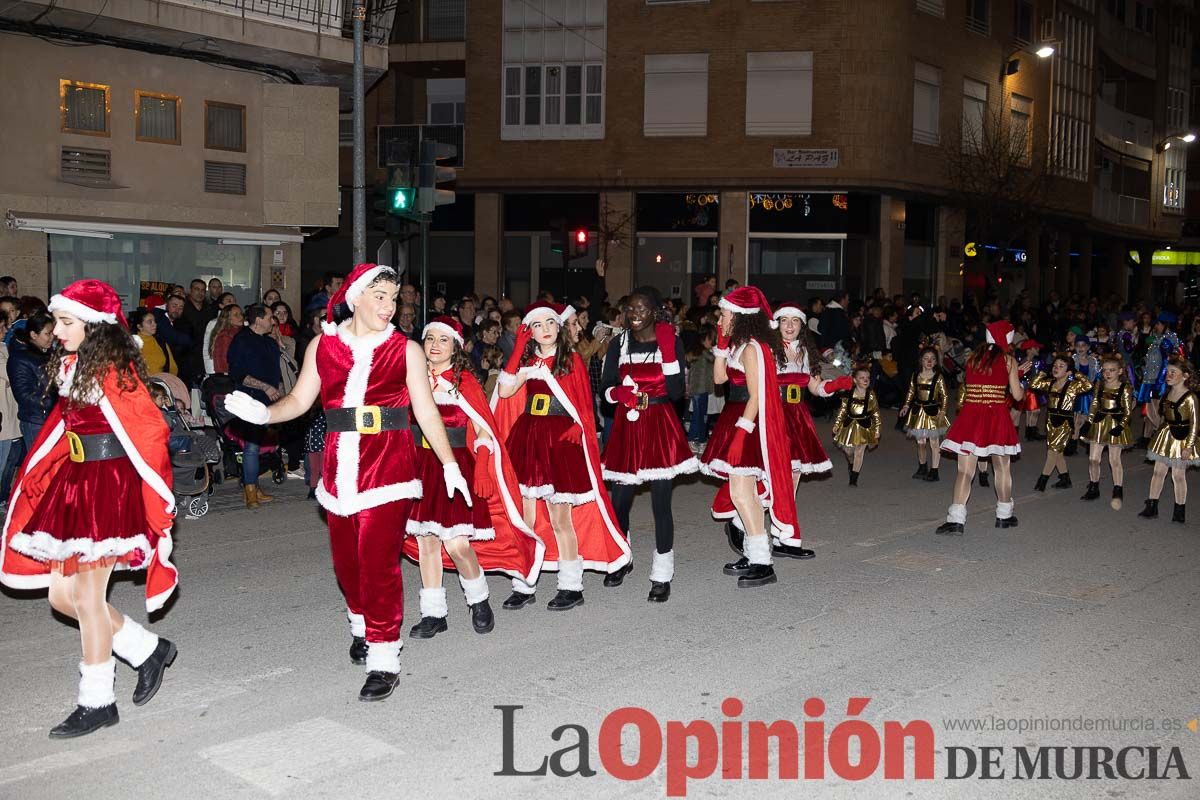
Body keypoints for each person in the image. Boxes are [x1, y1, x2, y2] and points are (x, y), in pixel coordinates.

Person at [225, 263, 471, 702]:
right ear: (355, 297)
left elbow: (428, 412)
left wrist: (450, 464)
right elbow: (300, 400)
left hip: (390, 467)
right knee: (348, 564)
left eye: (393, 299)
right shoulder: (323, 346)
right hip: (340, 471)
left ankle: (384, 657)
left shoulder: (406, 351)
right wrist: (264, 414)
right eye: (380, 296)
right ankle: (362, 625)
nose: (389, 306)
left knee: (378, 564)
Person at [0, 280, 178, 738]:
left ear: (94, 326)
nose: (57, 331)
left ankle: (97, 700)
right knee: (62, 597)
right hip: (76, 482)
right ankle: (147, 649)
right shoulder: (74, 366)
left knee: (87, 598)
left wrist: (149, 485)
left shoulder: (113, 369)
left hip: (106, 487)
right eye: (58, 323)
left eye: (66, 322)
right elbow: (62, 429)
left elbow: (149, 427)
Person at [399, 317, 544, 637]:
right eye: (430, 339)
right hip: (422, 465)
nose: (435, 345)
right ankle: (434, 613)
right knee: (427, 542)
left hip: (455, 467)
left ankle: (478, 600)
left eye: (443, 340)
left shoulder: (463, 382)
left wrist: (481, 465)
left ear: (456, 346)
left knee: (457, 544)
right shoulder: (411, 378)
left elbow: (483, 429)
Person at [492, 302, 630, 611]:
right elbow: (504, 391)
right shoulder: (527, 360)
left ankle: (571, 585)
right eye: (537, 325)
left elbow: (581, 403)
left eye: (550, 323)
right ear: (530, 330)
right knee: (526, 518)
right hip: (529, 438)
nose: (545, 329)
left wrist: (579, 429)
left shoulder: (572, 360)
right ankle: (524, 584)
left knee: (560, 518)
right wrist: (518, 351)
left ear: (559, 326)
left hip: (559, 441)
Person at [699, 287, 814, 587]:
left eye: (723, 314)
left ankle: (762, 560)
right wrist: (721, 346)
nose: (719, 319)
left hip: (747, 421)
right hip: (734, 418)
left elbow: (757, 396)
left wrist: (742, 433)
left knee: (743, 494)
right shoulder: (739, 346)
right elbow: (719, 379)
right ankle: (754, 554)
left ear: (737, 315)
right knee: (742, 494)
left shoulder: (752, 348)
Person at [600, 288, 696, 602]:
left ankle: (662, 573)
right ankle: (621, 557)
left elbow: (675, 391)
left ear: (655, 311)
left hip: (658, 424)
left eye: (642, 308)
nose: (635, 313)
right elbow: (605, 389)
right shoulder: (619, 343)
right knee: (620, 501)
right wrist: (619, 395)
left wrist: (669, 351)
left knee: (660, 504)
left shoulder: (671, 341)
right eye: (630, 308)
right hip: (628, 425)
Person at [936, 321, 1028, 535]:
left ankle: (956, 519)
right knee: (1002, 467)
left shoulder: (972, 358)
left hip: (972, 416)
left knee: (964, 471)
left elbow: (983, 380)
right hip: (996, 417)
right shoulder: (1009, 360)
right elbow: (1016, 395)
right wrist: (1018, 379)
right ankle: (1004, 515)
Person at [226, 305, 282, 507]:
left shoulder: (270, 342)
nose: (272, 321)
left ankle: (253, 485)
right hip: (250, 399)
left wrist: (280, 396)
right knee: (251, 445)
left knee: (258, 444)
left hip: (269, 400)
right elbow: (237, 374)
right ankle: (250, 490)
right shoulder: (241, 341)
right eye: (269, 317)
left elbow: (277, 374)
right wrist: (265, 387)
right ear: (258, 320)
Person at [1139, 357, 1197, 523]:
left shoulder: (1190, 397)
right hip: (1166, 436)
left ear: (1185, 376)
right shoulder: (1167, 393)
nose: (1168, 375)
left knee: (1178, 476)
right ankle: (1152, 505)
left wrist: (1189, 446)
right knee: (1158, 472)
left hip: (1182, 438)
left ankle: (1179, 510)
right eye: (1168, 371)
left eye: (1173, 372)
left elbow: (1194, 424)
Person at [1028, 354, 1091, 492]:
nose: (1056, 368)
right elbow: (1034, 384)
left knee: (1052, 452)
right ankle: (1065, 478)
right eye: (1055, 366)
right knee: (1057, 452)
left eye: (1061, 366)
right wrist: (1043, 372)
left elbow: (1088, 385)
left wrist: (1077, 373)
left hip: (1064, 422)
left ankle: (1042, 480)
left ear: (1068, 371)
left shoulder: (1073, 385)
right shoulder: (1050, 382)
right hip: (1050, 420)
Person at [1080, 354, 1134, 510]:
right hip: (1099, 423)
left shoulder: (1125, 388)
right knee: (1093, 459)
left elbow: (1128, 410)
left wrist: (1121, 426)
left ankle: (1118, 489)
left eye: (1112, 370)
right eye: (1105, 370)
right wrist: (1088, 421)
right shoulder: (1099, 385)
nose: (1108, 373)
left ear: (1120, 371)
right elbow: (1095, 403)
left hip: (1116, 423)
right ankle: (1093, 487)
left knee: (1114, 460)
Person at [900, 345, 951, 482]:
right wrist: (906, 405)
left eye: (932, 359)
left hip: (933, 412)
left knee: (934, 442)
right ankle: (922, 466)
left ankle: (934, 471)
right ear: (921, 361)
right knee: (921, 442)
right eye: (926, 358)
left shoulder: (938, 377)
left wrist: (943, 411)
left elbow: (945, 396)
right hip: (918, 412)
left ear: (936, 362)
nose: (929, 361)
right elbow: (911, 391)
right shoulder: (916, 375)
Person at [8, 310, 56, 449]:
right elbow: (23, 394)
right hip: (36, 420)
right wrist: (52, 400)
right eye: (47, 334)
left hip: (51, 418)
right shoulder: (20, 358)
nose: (52, 338)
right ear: (34, 335)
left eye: (53, 333)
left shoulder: (48, 354)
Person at [830, 364, 881, 486]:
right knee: (849, 452)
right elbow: (842, 410)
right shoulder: (849, 394)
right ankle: (851, 464)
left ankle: (854, 478)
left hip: (865, 426)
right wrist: (837, 424)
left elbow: (876, 413)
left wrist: (878, 428)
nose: (865, 380)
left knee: (859, 451)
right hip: (850, 425)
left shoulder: (871, 395)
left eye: (867, 378)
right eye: (862, 377)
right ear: (855, 380)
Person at [130, 309, 177, 376]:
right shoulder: (132, 343)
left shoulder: (160, 342)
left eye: (154, 321)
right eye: (150, 322)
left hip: (160, 382)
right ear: (139, 326)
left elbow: (173, 368)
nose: (154, 324)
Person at [202, 292, 237, 375]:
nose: (233, 303)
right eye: (229, 301)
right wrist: (210, 370)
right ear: (221, 305)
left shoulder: (241, 322)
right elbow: (208, 348)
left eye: (234, 301)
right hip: (217, 369)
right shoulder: (214, 323)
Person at [209, 304, 244, 374]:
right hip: (229, 378)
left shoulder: (243, 332)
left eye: (241, 314)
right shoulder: (225, 336)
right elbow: (222, 364)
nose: (241, 317)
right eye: (236, 315)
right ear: (228, 318)